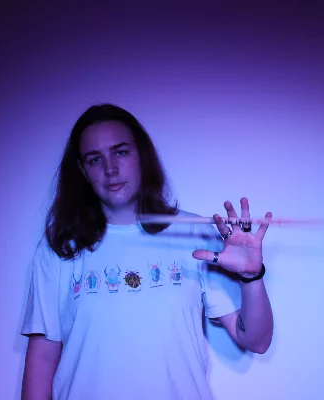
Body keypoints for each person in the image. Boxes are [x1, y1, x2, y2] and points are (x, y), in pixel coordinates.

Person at [20, 104, 273, 400]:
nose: (110, 169)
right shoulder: (60, 246)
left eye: (121, 152)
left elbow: (256, 340)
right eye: (94, 159)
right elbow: (42, 357)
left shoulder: (192, 232)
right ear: (83, 171)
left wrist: (251, 276)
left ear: (142, 155)